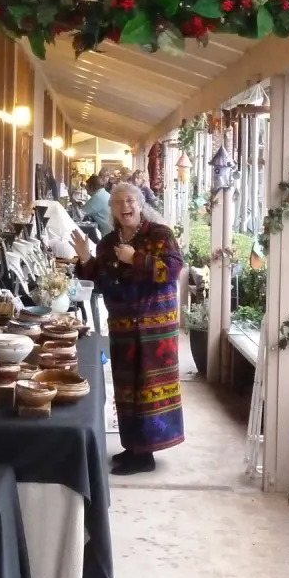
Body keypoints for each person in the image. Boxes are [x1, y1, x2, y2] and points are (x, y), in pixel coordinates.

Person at [71, 182, 184, 475]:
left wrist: (134, 258)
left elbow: (172, 269)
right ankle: (132, 446)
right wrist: (86, 258)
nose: (125, 206)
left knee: (148, 387)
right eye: (118, 202)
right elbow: (102, 281)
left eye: (130, 200)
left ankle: (145, 455)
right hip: (122, 326)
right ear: (111, 209)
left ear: (140, 203)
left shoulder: (160, 234)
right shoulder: (107, 243)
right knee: (126, 387)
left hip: (155, 328)